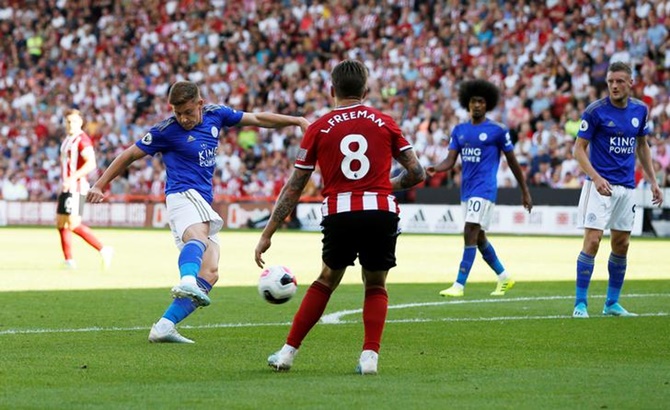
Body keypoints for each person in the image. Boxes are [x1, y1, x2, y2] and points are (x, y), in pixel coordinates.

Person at [87, 81, 309, 343]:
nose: (183, 119)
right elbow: (129, 155)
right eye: (177, 113)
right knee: (198, 238)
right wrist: (100, 184)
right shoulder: (165, 131)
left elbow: (258, 118)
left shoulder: (217, 114)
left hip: (203, 199)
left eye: (188, 112)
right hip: (181, 195)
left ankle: (164, 326)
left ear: (200, 104)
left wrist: (296, 120)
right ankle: (187, 280)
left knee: (211, 271)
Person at [253, 60, 425, 375]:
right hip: (381, 210)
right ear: (366, 90)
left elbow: (295, 186)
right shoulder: (384, 122)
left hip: (340, 212)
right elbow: (417, 173)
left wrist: (268, 232)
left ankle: (288, 353)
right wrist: (385, 185)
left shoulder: (318, 128)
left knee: (327, 280)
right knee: (375, 283)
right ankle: (369, 358)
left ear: (332, 90)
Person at [572, 62, 663, 318]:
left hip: (627, 188)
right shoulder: (595, 111)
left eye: (620, 81)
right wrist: (596, 177)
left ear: (630, 83)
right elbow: (577, 150)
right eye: (611, 81)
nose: (614, 85)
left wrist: (653, 181)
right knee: (592, 241)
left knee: (621, 244)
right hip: (598, 186)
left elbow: (642, 146)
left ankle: (611, 303)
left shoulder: (639, 110)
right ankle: (580, 304)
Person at [426, 79, 532, 297]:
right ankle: (504, 277)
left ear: (488, 104)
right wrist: (435, 168)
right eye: (473, 102)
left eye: (481, 102)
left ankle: (459, 285)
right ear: (468, 104)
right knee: (479, 236)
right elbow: (450, 160)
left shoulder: (497, 130)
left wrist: (525, 190)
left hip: (484, 189)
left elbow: (512, 162)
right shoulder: (460, 130)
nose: (476, 105)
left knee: (469, 231)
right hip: (466, 190)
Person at [57, 109, 114, 270]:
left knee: (73, 224)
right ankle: (69, 260)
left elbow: (91, 163)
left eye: (74, 121)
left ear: (81, 122)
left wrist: (71, 178)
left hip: (76, 187)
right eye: (68, 121)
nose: (70, 124)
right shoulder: (68, 139)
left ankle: (103, 249)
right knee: (61, 222)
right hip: (67, 186)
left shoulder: (82, 140)